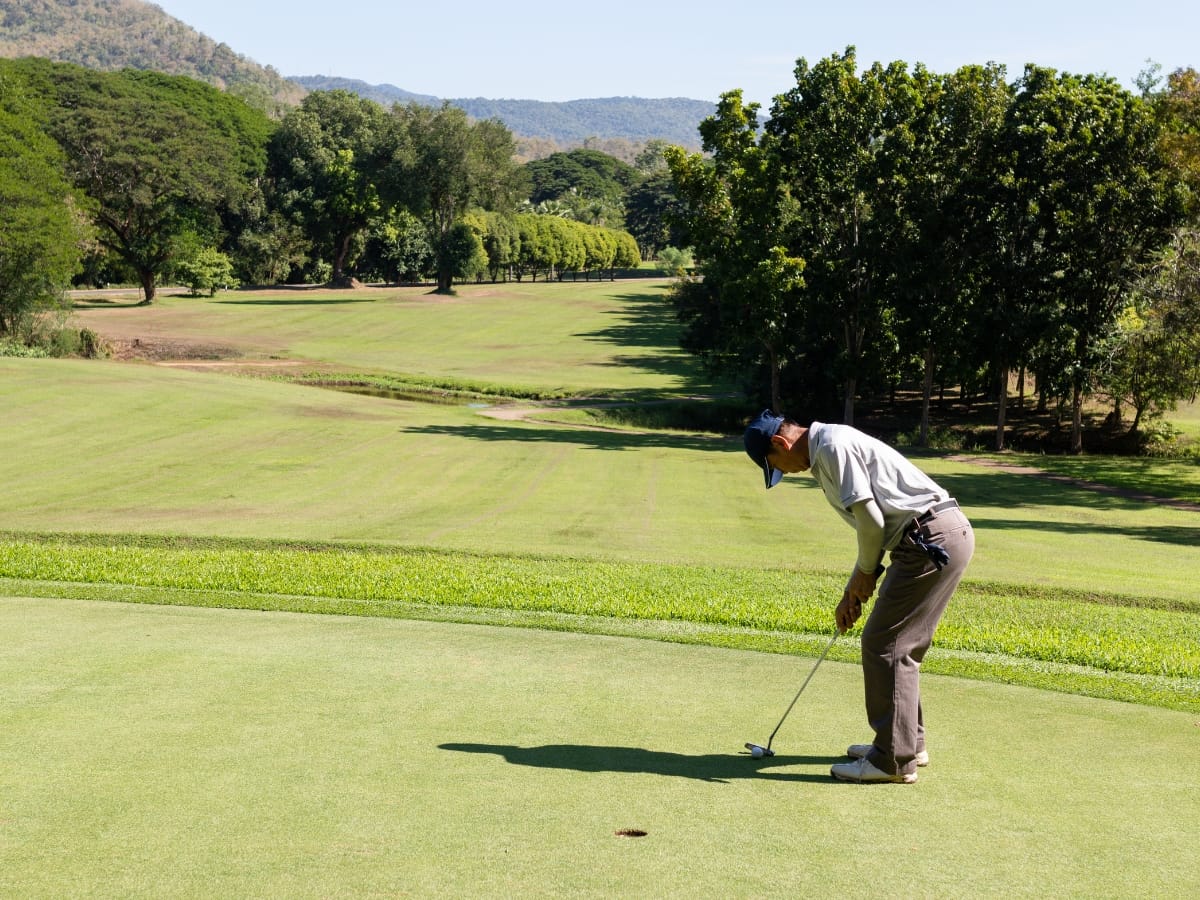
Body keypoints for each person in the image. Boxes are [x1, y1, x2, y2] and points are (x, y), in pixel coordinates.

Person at [743, 409, 974, 784]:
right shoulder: (826, 449)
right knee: (897, 644)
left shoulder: (832, 447)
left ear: (780, 444)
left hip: (930, 540)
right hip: (929, 538)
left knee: (886, 644)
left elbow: (872, 523)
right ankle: (907, 743)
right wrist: (854, 588)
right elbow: (874, 529)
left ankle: (893, 761)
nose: (788, 471)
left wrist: (866, 576)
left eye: (778, 465)